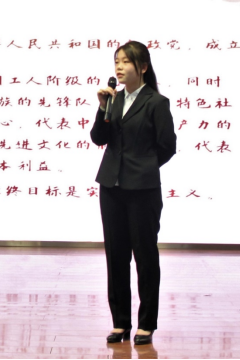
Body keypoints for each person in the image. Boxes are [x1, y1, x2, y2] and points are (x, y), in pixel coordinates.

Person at [90, 41, 176, 345]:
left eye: (126, 61)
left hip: (142, 189)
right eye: (117, 61)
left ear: (143, 67)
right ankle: (120, 323)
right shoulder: (113, 99)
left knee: (145, 255)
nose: (119, 67)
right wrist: (102, 107)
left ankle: (146, 324)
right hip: (111, 187)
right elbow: (98, 138)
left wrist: (143, 167)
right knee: (116, 256)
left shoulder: (156, 102)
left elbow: (167, 147)